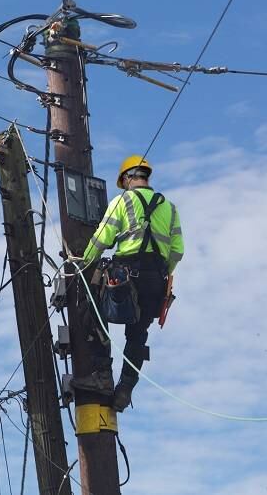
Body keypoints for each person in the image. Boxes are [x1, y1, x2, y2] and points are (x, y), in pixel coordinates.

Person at [76, 155, 184, 411]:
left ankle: (102, 375)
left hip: (125, 276)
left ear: (126, 178)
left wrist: (82, 263)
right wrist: (161, 272)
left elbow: (103, 237)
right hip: (156, 281)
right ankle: (125, 388)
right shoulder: (169, 207)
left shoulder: (122, 201)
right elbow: (178, 250)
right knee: (137, 335)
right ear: (145, 176)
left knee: (91, 307)